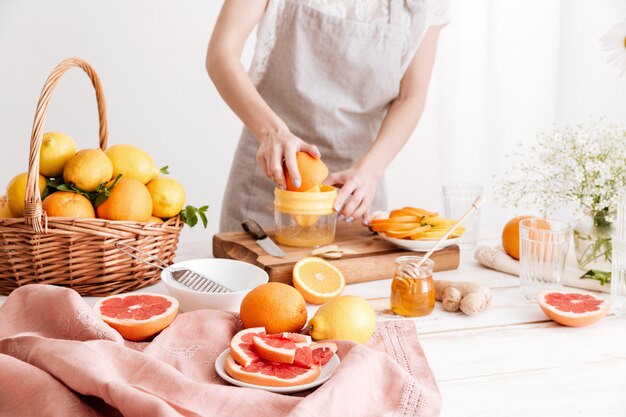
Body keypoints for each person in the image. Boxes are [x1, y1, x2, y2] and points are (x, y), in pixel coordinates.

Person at [207, 0, 449, 232]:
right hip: (269, 180)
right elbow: (222, 53)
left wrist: (370, 171)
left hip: (355, 196)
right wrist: (272, 132)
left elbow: (411, 95)